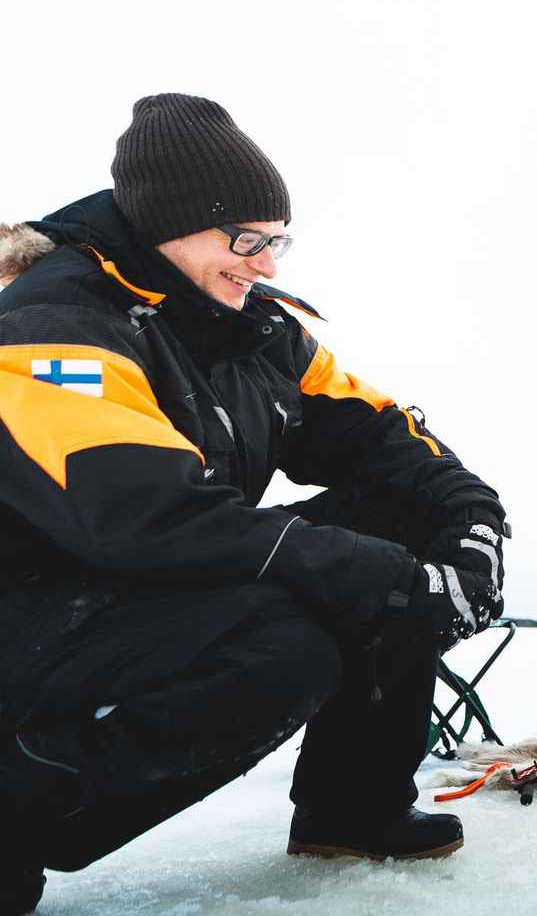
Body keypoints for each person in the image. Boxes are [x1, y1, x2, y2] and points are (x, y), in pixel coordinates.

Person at [0, 94, 510, 914]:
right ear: (174, 223)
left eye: (275, 242)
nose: (266, 264)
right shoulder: (53, 322)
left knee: (408, 520)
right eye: (247, 241)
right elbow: (142, 513)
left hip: (141, 595)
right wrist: (385, 580)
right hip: (36, 618)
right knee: (289, 647)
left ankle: (354, 809)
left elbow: (385, 433)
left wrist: (471, 521)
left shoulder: (250, 327)